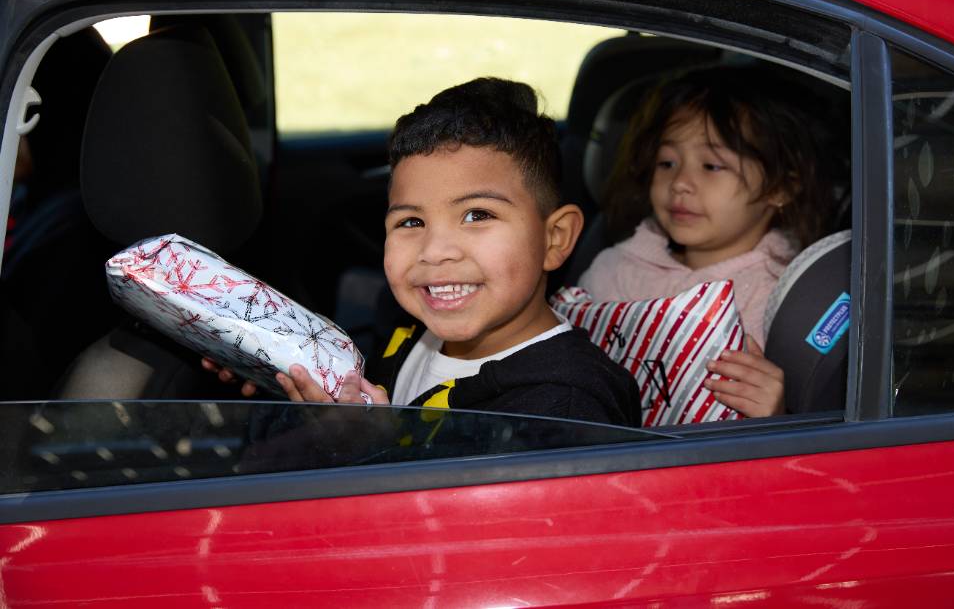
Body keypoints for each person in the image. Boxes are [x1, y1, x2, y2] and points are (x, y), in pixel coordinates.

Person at [208, 77, 641, 427]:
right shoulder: (410, 326)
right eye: (411, 222)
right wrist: (297, 380)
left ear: (555, 239)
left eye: (477, 215)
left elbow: (476, 533)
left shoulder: (564, 409)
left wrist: (367, 451)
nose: (435, 252)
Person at [577, 66, 835, 418]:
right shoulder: (613, 270)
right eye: (666, 162)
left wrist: (774, 416)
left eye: (711, 166)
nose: (681, 182)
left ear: (780, 188)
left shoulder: (785, 298)